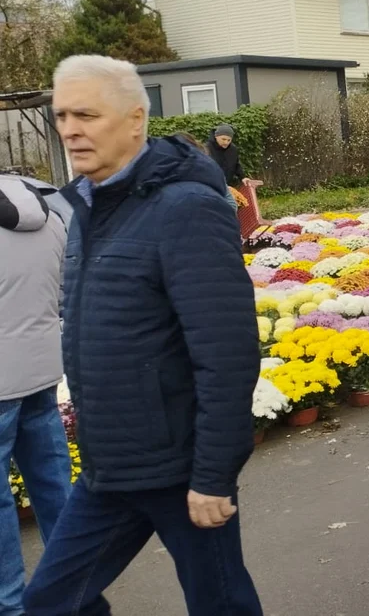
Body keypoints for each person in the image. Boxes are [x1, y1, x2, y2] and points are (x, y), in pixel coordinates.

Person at [25, 55, 262, 615]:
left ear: (135, 120)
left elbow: (227, 355)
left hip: (180, 471)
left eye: (87, 114)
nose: (70, 130)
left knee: (221, 605)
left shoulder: (185, 209)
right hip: (111, 468)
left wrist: (213, 475)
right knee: (52, 603)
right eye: (62, 115)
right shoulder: (88, 206)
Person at [0, 176, 72, 613]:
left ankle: (9, 603)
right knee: (52, 481)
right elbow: (62, 288)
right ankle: (73, 585)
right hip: (41, 370)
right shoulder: (47, 208)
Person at [207, 123, 255, 208]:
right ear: (216, 136)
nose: (226, 142)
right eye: (223, 139)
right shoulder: (206, 149)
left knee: (231, 206)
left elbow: (236, 165)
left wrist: (243, 177)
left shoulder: (233, 150)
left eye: (229, 140)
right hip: (210, 187)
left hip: (227, 186)